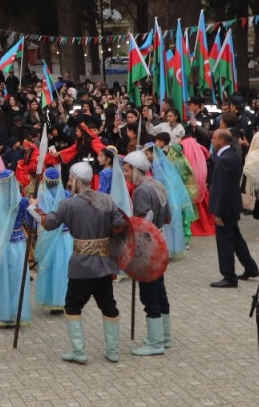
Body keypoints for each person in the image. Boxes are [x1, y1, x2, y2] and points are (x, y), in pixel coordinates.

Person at [33, 162, 126, 364]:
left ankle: (79, 351)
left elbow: (49, 224)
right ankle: (113, 351)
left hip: (81, 266)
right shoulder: (107, 200)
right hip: (103, 264)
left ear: (75, 180)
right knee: (108, 306)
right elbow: (120, 223)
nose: (68, 183)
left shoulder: (69, 204)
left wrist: (36, 211)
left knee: (73, 306)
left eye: (70, 179)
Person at [125, 150, 171, 356]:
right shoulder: (158, 185)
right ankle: (164, 336)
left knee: (149, 293)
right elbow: (168, 217)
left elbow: (141, 224)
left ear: (136, 169)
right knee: (159, 290)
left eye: (127, 169)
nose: (125, 173)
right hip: (160, 240)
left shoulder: (141, 191)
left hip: (148, 246)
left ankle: (155, 343)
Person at [0, 170, 37, 326]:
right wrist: (32, 209)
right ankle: (15, 312)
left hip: (1, 246)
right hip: (18, 246)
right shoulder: (22, 201)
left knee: (2, 280)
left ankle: (4, 315)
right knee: (16, 280)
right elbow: (31, 224)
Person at [209, 129, 259, 288]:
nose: (211, 140)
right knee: (236, 238)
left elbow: (223, 188)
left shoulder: (225, 159)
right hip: (232, 204)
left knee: (224, 242)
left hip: (226, 207)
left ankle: (229, 276)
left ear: (222, 141)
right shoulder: (230, 155)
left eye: (214, 138)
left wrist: (218, 212)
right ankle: (250, 267)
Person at [34, 167, 69, 314]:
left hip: (48, 235)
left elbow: (38, 218)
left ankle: (50, 299)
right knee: (62, 268)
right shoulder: (66, 194)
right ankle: (62, 299)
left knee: (49, 266)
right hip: (64, 237)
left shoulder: (41, 196)